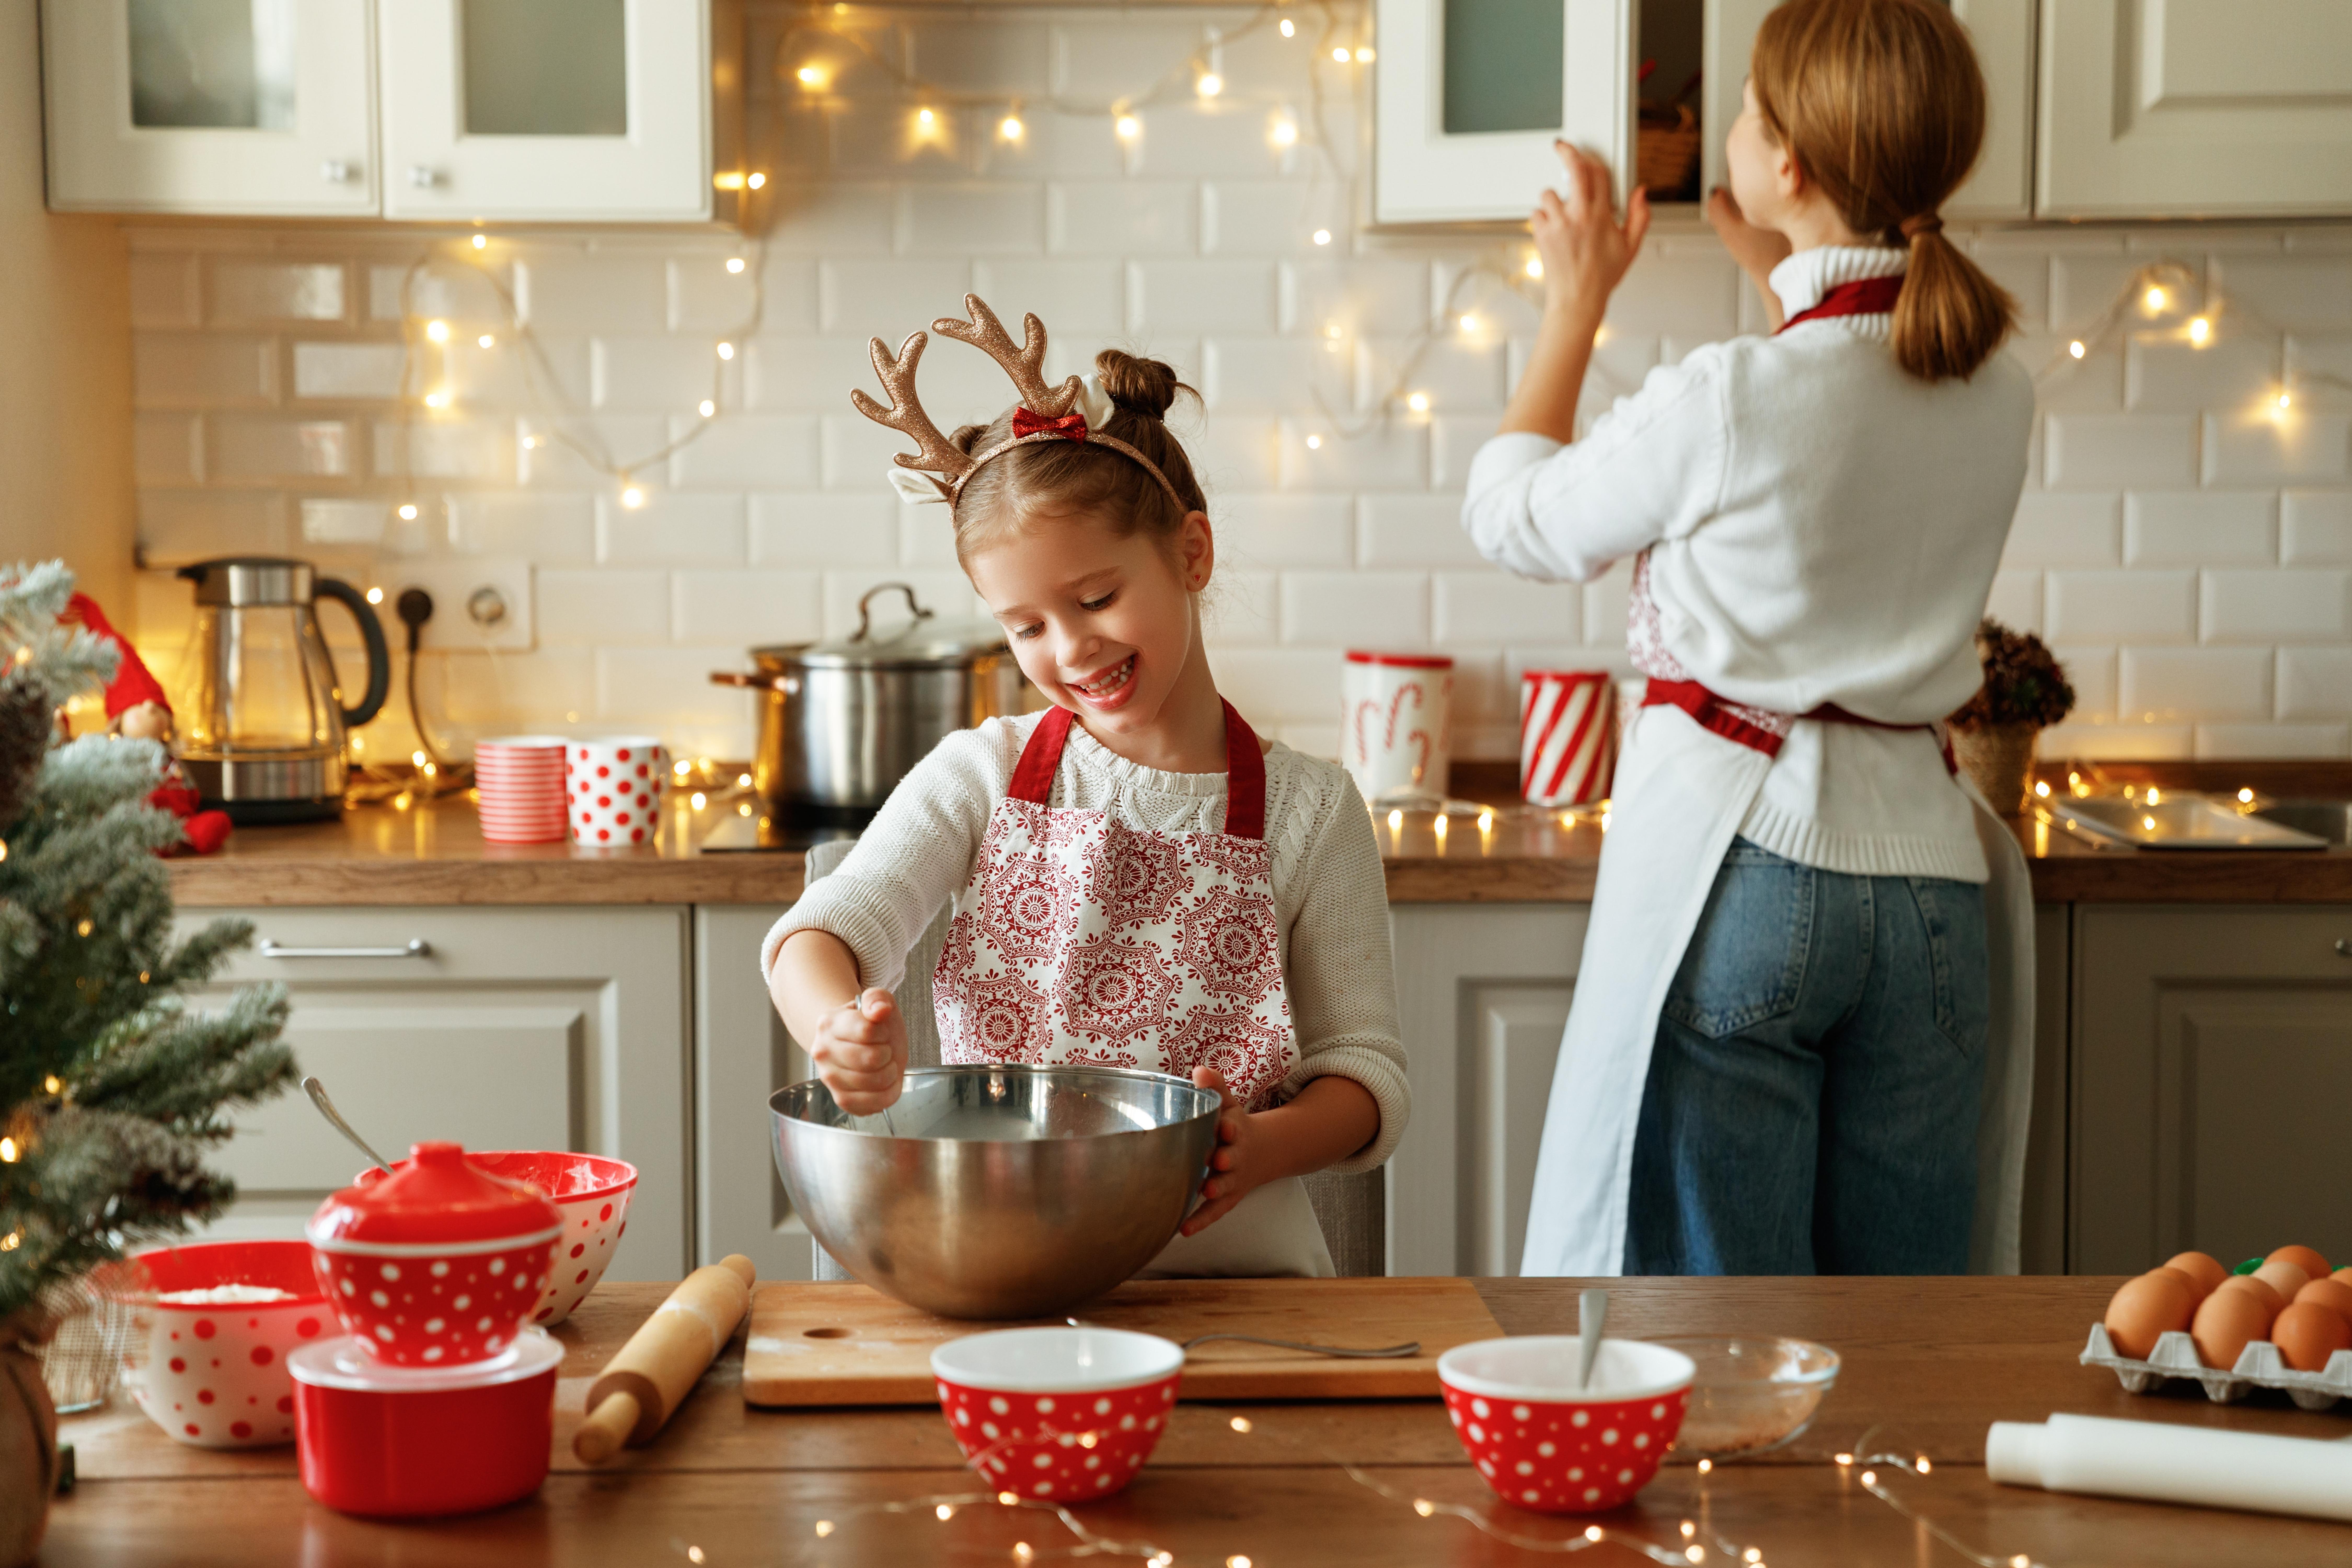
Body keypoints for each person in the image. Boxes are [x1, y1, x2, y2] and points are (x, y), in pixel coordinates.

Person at [1464, 0, 2037, 1276]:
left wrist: (1575, 307)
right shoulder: (1998, 383)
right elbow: (1852, 396)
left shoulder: (1732, 396)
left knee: (1721, 1345)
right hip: (1937, 895)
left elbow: (1511, 520)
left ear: (1787, 164)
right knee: (1905, 1340)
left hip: (1752, 875)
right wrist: (1776, 264)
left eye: (1744, 109)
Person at [761, 296, 1409, 1278]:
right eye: (1026, 626)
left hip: (1236, 1271)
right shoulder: (980, 777)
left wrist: (1262, 1146)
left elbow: (1365, 1071)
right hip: (1002, 1258)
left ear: (1191, 553)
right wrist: (836, 1029)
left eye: (1097, 598)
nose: (1071, 649)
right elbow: (823, 933)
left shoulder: (1311, 810)